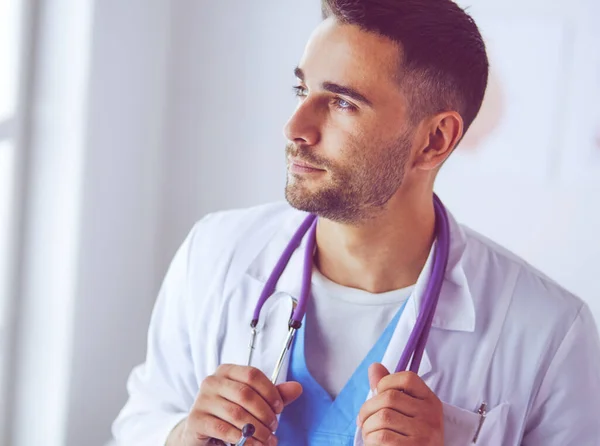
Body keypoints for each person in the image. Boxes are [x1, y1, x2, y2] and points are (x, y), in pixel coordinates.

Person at [112, 1, 600, 445]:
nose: (295, 127)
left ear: (434, 140)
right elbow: (141, 418)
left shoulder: (549, 332)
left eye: (343, 102)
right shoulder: (215, 252)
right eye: (302, 89)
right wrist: (179, 436)